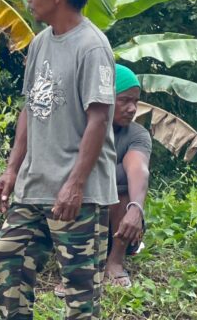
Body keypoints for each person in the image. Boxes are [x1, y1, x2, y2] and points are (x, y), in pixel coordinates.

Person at [0, 0, 118, 320]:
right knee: (7, 252)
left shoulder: (92, 47)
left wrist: (75, 184)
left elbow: (99, 119)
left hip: (78, 194)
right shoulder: (42, 42)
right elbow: (30, 107)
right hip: (34, 185)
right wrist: (13, 169)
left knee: (80, 295)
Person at [54, 64, 150, 294]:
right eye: (125, 100)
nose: (132, 108)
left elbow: (138, 169)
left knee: (123, 189)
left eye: (135, 102)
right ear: (106, 97)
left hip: (117, 222)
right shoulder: (76, 128)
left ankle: (115, 262)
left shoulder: (136, 135)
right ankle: (76, 268)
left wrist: (136, 209)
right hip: (75, 214)